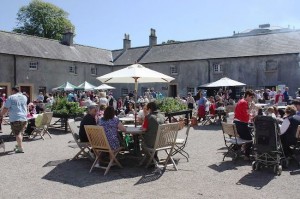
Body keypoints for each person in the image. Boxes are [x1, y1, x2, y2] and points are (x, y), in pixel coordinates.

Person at [0, 86, 27, 153]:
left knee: (17, 133)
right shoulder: (24, 97)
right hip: (24, 117)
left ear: (13, 90)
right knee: (20, 133)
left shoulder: (11, 97)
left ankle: (20, 148)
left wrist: (1, 115)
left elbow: (6, 108)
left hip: (16, 118)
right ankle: (19, 145)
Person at [233, 89, 255, 160]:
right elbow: (246, 113)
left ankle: (237, 149)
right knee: (250, 139)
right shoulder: (244, 102)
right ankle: (246, 155)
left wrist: (250, 115)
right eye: (251, 97)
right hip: (241, 124)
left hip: (238, 123)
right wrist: (252, 107)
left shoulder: (241, 101)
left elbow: (244, 114)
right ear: (248, 96)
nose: (252, 99)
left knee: (247, 134)